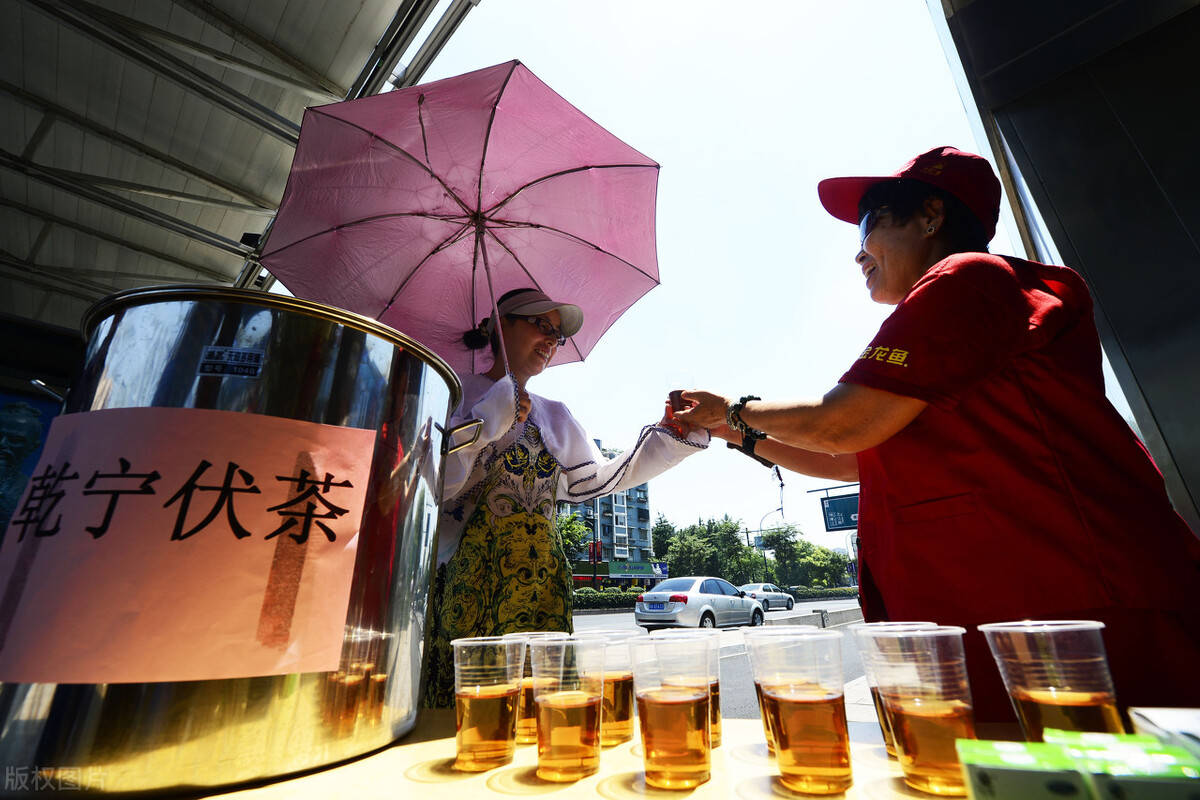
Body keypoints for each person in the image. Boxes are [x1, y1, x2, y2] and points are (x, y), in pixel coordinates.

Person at [676, 146, 1200, 722]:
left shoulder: (968, 276)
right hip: (1026, 617)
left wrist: (737, 408)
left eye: (869, 221)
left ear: (931, 215)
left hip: (1071, 620)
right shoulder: (954, 324)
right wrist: (731, 429)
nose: (857, 253)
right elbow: (852, 456)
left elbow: (843, 424)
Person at [421, 288, 708, 707]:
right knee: (473, 713)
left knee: (546, 708)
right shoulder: (450, 391)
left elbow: (594, 481)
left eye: (557, 334)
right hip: (469, 584)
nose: (551, 341)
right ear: (501, 326)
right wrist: (487, 422)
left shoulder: (553, 413)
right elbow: (429, 483)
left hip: (543, 583)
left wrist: (669, 438)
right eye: (541, 325)